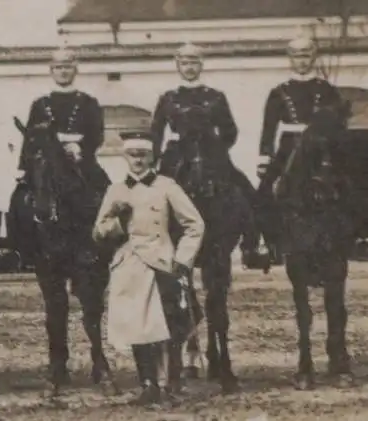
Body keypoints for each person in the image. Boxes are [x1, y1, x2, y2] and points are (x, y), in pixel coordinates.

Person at [93, 131, 204, 406]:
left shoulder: (167, 186)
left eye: (143, 155)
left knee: (163, 326)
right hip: (128, 264)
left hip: (160, 263)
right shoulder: (116, 190)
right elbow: (98, 231)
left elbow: (195, 225)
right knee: (136, 327)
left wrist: (182, 260)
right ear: (125, 157)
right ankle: (148, 385)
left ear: (151, 156)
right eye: (132, 155)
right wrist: (117, 222)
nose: (138, 160)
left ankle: (168, 385)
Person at [150, 42, 269, 270]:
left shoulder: (215, 97)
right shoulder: (168, 98)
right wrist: (157, 159)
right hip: (178, 154)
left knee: (247, 192)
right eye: (184, 63)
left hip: (211, 153)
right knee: (153, 196)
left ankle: (253, 246)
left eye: (194, 62)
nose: (189, 67)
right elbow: (156, 133)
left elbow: (230, 131)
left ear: (201, 65)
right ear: (177, 66)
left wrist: (215, 146)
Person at [257, 34, 344, 262]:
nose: (302, 61)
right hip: (289, 148)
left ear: (314, 57)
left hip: (320, 148)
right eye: (297, 56)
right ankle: (268, 245)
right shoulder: (279, 92)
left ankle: (352, 238)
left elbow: (338, 126)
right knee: (262, 194)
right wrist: (265, 158)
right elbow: (268, 129)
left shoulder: (327, 90)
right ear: (290, 59)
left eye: (306, 55)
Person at [17, 47, 110, 194]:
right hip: (48, 161)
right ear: (51, 71)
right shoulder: (40, 104)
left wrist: (81, 148)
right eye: (58, 67)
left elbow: (97, 134)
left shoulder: (89, 102)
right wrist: (23, 167)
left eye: (68, 67)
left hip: (80, 160)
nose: (63, 72)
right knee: (21, 197)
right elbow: (30, 139)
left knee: (104, 191)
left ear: (75, 70)